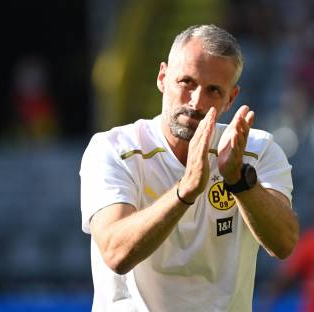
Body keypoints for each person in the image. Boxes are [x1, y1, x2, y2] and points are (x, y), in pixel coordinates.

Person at [80, 24, 299, 311]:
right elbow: (115, 251)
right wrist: (186, 190)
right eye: (187, 83)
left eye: (213, 91)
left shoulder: (256, 151)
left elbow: (284, 243)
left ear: (231, 99)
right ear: (162, 77)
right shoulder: (114, 148)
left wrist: (238, 181)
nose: (196, 102)